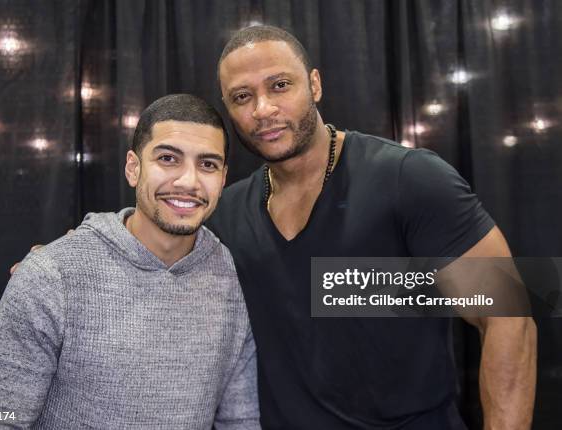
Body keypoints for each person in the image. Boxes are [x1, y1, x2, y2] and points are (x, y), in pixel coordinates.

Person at [204, 25, 536, 429]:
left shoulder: (408, 178)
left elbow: (508, 315)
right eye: (243, 96)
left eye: (279, 85)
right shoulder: (225, 214)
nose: (262, 109)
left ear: (315, 84)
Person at [0, 94, 260, 429]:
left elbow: (241, 420)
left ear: (223, 179)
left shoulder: (233, 279)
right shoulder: (52, 275)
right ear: (133, 168)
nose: (188, 182)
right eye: (168, 159)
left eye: (207, 165)